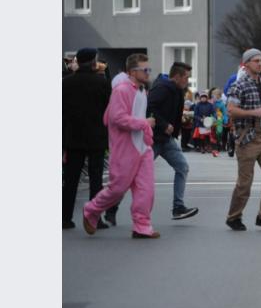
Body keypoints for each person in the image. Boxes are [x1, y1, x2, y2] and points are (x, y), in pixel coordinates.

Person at [82, 53, 160, 238]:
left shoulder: (141, 90)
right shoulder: (122, 90)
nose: (148, 72)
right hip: (125, 148)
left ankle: (142, 226)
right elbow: (116, 118)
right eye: (145, 69)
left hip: (143, 147)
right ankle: (91, 209)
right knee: (117, 189)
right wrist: (144, 124)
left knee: (146, 190)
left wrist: (145, 128)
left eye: (149, 69)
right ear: (133, 71)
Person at [225, 48, 261, 231]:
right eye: (255, 61)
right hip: (247, 137)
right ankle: (234, 217)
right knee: (245, 183)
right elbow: (231, 110)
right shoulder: (239, 85)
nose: (260, 63)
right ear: (246, 64)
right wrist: (253, 112)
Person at [63, 48, 112, 229]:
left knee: (71, 180)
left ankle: (65, 217)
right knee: (95, 179)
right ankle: (94, 217)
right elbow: (110, 109)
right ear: (93, 62)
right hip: (96, 137)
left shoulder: (66, 83)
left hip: (73, 137)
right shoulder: (101, 83)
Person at [146, 61, 199, 220]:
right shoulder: (162, 88)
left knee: (182, 167)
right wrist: (164, 124)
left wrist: (176, 125)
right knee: (135, 174)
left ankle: (178, 207)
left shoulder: (177, 90)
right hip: (154, 139)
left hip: (167, 139)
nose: (187, 82)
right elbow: (149, 108)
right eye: (186, 78)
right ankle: (112, 208)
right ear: (176, 77)